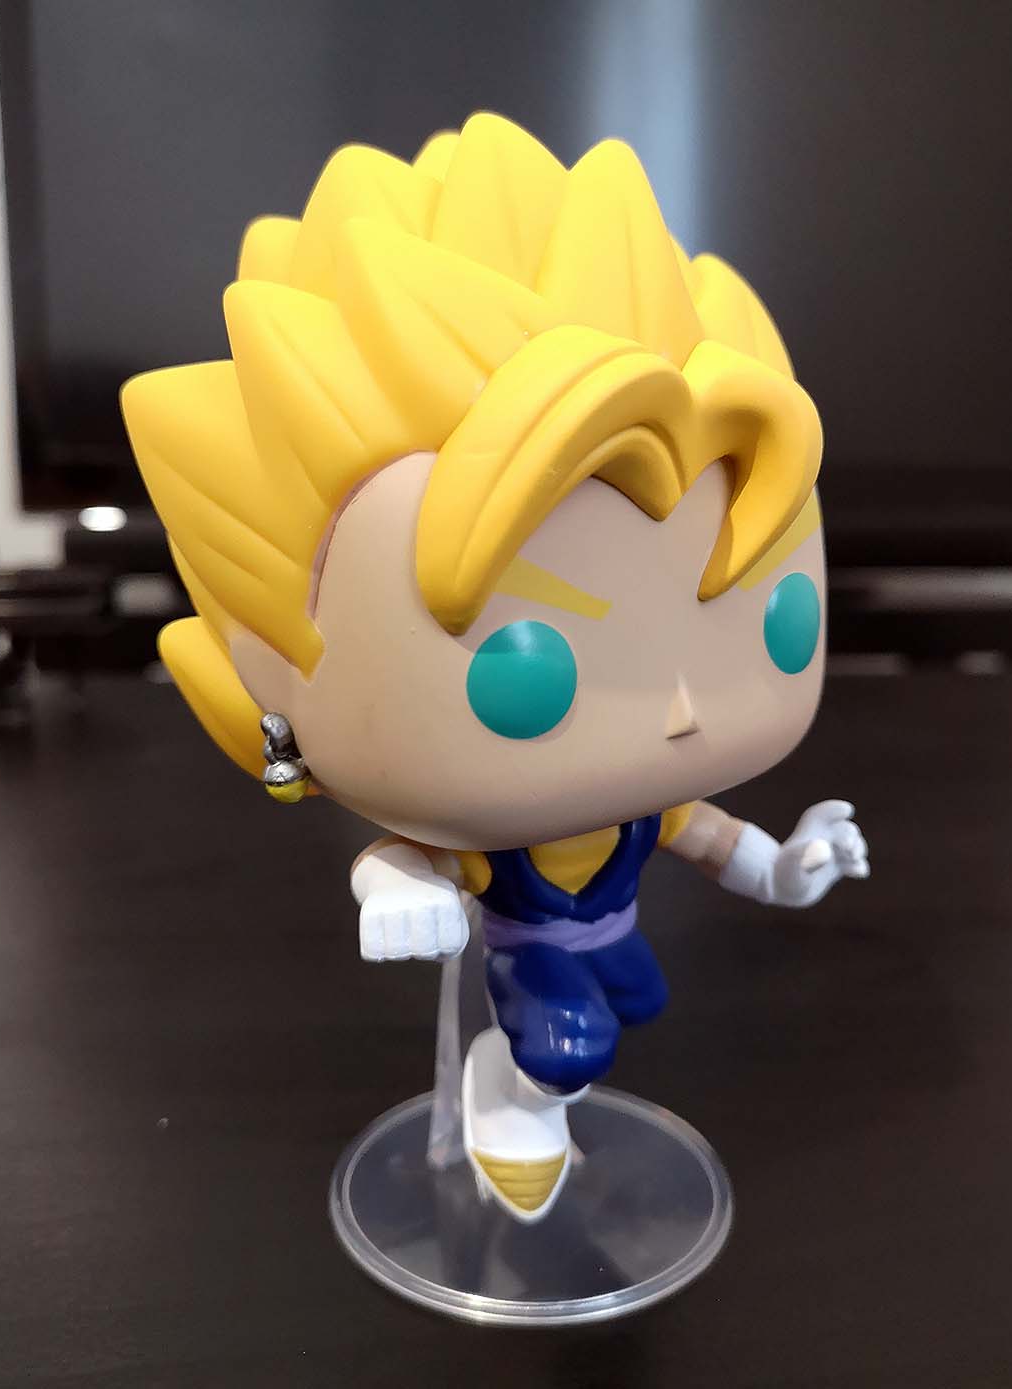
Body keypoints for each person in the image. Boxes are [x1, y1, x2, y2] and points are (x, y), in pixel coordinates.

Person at [122, 113, 868, 1223]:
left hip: (610, 933)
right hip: (527, 949)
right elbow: (404, 859)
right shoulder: (483, 840)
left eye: (779, 619)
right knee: (566, 1043)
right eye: (529, 673)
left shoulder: (644, 809)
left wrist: (784, 868)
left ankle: (532, 1081)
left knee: (635, 1005)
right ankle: (506, 1092)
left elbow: (708, 837)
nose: (675, 709)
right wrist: (391, 892)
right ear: (276, 681)